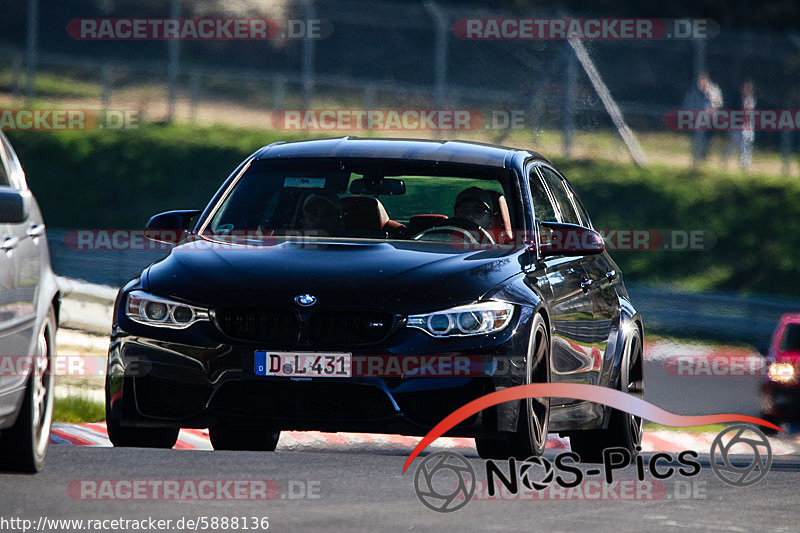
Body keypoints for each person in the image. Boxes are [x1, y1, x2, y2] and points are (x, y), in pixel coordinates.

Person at [683, 72, 723, 165]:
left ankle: (704, 161)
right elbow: (687, 105)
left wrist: (713, 111)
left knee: (708, 143)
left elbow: (719, 104)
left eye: (703, 80)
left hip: (710, 122)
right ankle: (695, 161)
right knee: (697, 142)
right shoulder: (694, 92)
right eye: (700, 81)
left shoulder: (714, 91)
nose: (701, 83)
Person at [723, 80, 756, 170]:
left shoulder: (751, 100)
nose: (747, 90)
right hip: (737, 127)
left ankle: (744, 165)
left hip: (748, 127)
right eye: (745, 88)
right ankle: (725, 158)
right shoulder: (736, 100)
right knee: (733, 145)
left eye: (749, 88)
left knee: (746, 146)